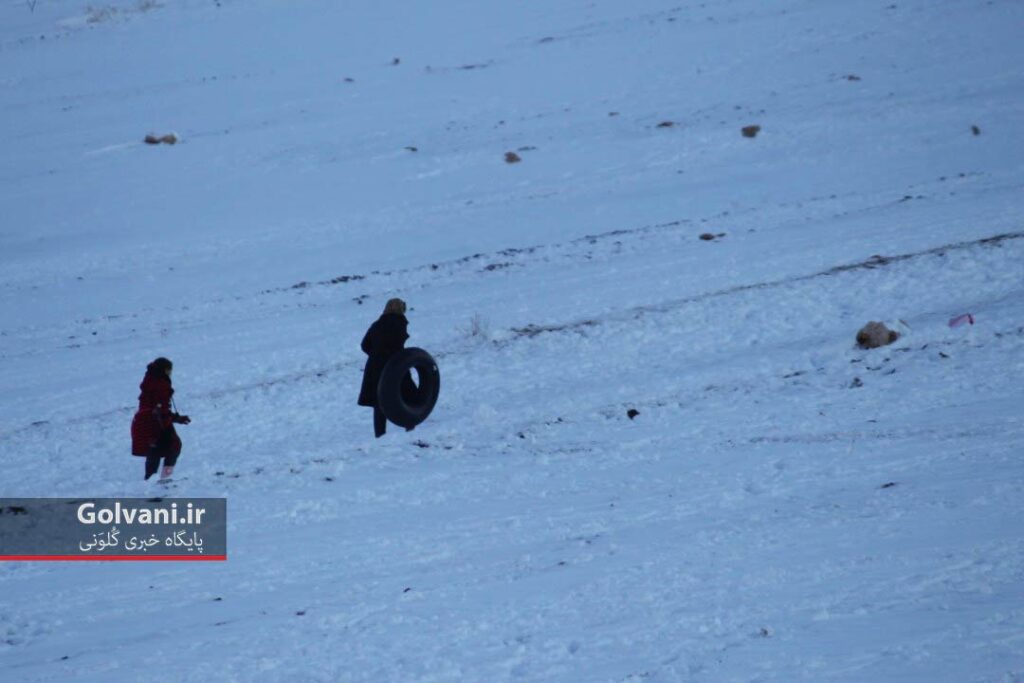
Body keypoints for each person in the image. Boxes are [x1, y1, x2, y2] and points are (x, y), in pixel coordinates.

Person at [358, 298, 413, 438]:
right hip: (395, 364)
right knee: (408, 392)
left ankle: (380, 434)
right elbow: (398, 342)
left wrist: (376, 355)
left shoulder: (376, 324)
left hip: (375, 366)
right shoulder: (400, 322)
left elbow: (365, 345)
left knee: (379, 399)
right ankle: (410, 424)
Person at [131, 357, 191, 480]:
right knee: (174, 446)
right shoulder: (161, 384)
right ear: (165, 370)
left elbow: (154, 406)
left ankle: (150, 480)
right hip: (155, 422)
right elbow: (161, 408)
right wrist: (170, 424)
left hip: (143, 421)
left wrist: (176, 418)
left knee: (154, 450)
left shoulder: (149, 381)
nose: (170, 373)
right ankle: (164, 478)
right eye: (169, 370)